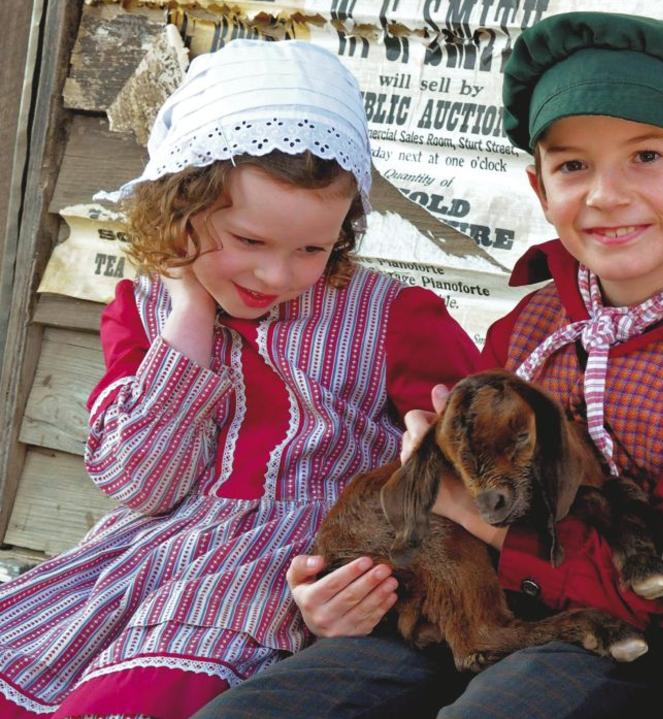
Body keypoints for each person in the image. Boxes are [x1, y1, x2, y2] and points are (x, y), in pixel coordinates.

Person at [196, 11, 663, 719]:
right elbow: (441, 492)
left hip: (619, 646)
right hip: (462, 606)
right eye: (573, 165)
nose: (606, 194)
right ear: (540, 188)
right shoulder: (526, 325)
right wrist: (349, 590)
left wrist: (486, 530)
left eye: (646, 157)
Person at [0, 40, 479, 718]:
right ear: (178, 207)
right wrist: (190, 316)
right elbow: (145, 483)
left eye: (312, 248)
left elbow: (481, 465)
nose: (277, 275)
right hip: (141, 570)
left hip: (290, 579)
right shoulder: (145, 314)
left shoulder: (394, 318)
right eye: (249, 241)